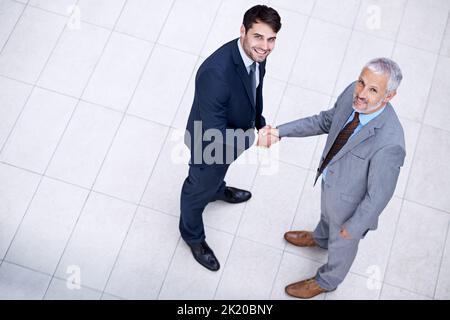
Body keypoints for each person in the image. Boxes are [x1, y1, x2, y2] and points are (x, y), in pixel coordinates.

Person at [258, 58, 406, 298]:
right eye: (362, 82)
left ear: (388, 97)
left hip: (351, 208)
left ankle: (327, 281)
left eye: (373, 90)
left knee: (343, 245)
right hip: (331, 184)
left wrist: (355, 227)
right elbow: (325, 121)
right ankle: (321, 238)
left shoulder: (390, 143)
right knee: (326, 216)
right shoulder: (352, 92)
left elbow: (379, 196)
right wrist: (280, 132)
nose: (361, 93)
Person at [180, 5, 282, 271]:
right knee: (195, 190)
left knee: (216, 176)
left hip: (236, 133)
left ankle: (216, 190)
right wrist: (255, 139)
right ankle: (192, 236)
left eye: (271, 39)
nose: (265, 46)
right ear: (242, 31)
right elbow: (214, 132)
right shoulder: (216, 73)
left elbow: (254, 89)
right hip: (209, 145)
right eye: (258, 36)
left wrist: (257, 122)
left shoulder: (257, 55)